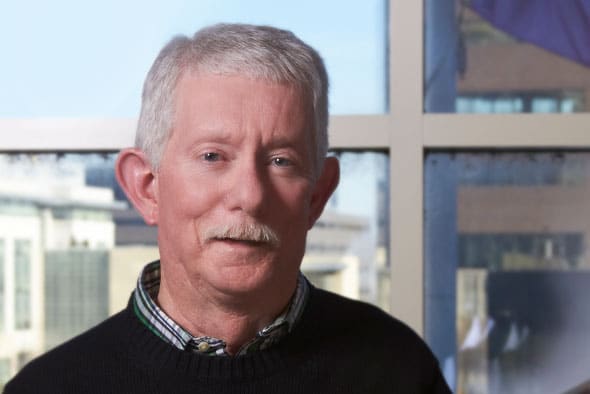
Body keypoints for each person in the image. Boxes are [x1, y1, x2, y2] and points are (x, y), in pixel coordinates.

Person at [5, 23, 451, 394]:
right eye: (213, 157)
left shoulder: (398, 371)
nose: (251, 195)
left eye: (281, 161)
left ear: (317, 195)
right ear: (146, 187)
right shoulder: (47, 389)